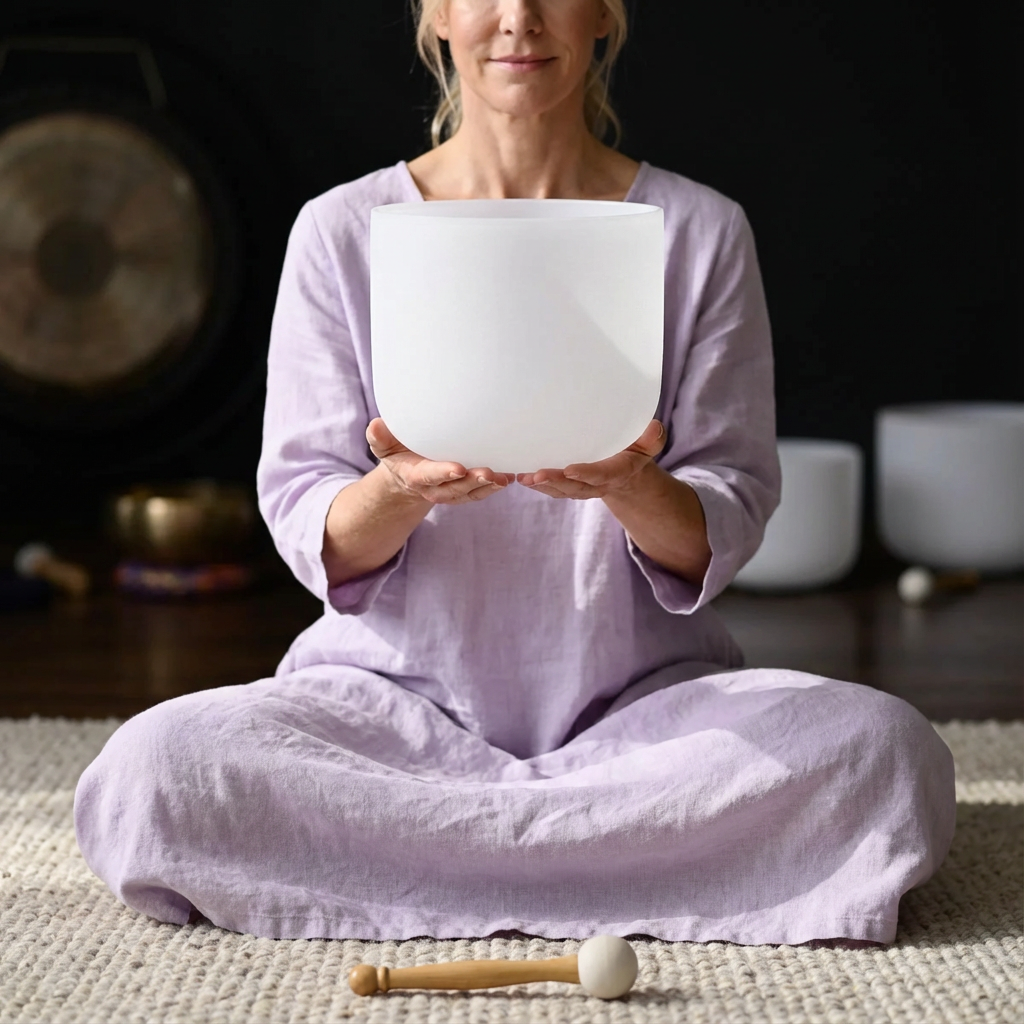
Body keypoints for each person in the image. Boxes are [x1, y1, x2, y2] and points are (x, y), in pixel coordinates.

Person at [74, 0, 955, 945]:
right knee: (152, 774)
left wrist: (629, 485)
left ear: (606, 13)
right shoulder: (340, 231)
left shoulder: (701, 231)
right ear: (436, 13)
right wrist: (400, 490)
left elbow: (725, 513)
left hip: (643, 724)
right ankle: (602, 864)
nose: (518, 19)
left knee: (887, 756)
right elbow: (310, 520)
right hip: (387, 718)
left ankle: (433, 864)